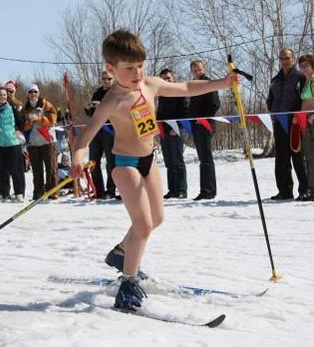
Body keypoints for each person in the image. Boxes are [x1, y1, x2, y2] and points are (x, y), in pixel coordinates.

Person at [70, 29, 240, 310]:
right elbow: (84, 138)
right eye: (129, 68)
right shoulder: (112, 100)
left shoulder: (149, 85)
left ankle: (121, 253)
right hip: (125, 165)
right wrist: (78, 156)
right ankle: (128, 284)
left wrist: (222, 82)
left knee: (157, 218)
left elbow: (186, 88)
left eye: (140, 66)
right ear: (111, 69)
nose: (137, 73)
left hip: (149, 160)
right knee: (144, 225)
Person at [267, 48, 308, 201]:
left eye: (288, 58)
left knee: (297, 156)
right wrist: (271, 110)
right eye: (282, 58)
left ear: (293, 59)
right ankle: (284, 190)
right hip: (279, 122)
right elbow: (270, 99)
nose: (285, 61)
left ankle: (304, 190)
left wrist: (298, 115)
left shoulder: (300, 77)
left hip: (295, 122)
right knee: (281, 158)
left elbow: (304, 98)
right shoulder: (275, 80)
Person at [189, 59, 220, 201]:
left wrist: (202, 118)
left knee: (206, 158)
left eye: (199, 70)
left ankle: (208, 190)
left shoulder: (209, 83)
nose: (197, 72)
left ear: (204, 69)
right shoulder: (192, 85)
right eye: (195, 70)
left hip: (205, 124)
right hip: (195, 125)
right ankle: (206, 189)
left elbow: (215, 104)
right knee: (202, 158)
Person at [0, 87, 26, 202]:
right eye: (0, 95)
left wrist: (18, 132)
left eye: (4, 95)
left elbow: (21, 123)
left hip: (13, 143)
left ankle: (19, 193)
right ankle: (4, 193)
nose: (2, 97)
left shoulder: (13, 109)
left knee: (16, 169)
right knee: (1, 170)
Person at [22, 83, 58, 200]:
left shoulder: (46, 105)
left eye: (35, 92)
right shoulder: (25, 109)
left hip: (47, 141)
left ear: (38, 93)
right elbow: (22, 126)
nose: (33, 94)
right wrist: (30, 122)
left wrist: (39, 119)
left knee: (51, 168)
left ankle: (52, 192)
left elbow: (52, 121)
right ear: (27, 94)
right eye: (30, 92)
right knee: (37, 170)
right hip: (33, 143)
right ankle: (38, 193)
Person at [84, 70, 117, 199]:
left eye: (109, 79)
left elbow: (119, 110)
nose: (106, 81)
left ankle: (111, 189)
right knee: (93, 161)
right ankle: (98, 189)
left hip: (110, 129)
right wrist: (88, 109)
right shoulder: (97, 93)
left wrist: (102, 105)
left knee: (111, 161)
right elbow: (93, 113)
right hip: (96, 129)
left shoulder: (116, 93)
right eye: (104, 79)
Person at [156, 68, 189, 199]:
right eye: (164, 79)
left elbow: (185, 112)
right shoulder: (161, 95)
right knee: (169, 161)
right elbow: (159, 113)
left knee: (177, 161)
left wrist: (178, 128)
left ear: (173, 78)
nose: (167, 81)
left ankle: (182, 189)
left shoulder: (179, 92)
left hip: (176, 130)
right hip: (163, 130)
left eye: (168, 78)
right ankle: (172, 189)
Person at [298, 54, 314, 200]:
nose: (303, 68)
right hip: (305, 122)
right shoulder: (305, 81)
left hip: (312, 120)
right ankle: (311, 188)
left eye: (306, 65)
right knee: (308, 156)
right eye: (301, 66)